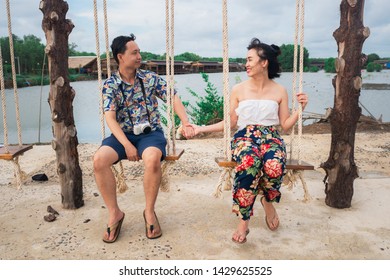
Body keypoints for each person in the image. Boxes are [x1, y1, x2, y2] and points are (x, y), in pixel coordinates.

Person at [191, 38, 308, 244]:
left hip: (271, 137)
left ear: (264, 63)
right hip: (245, 137)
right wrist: (200, 128)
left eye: (250, 59)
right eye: (246, 59)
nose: (246, 64)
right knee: (248, 163)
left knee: (274, 166)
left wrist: (300, 109)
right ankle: (244, 220)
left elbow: (286, 125)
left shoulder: (279, 90)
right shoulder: (238, 89)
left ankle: (268, 201)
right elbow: (230, 123)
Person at [93, 34, 194, 243]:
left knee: (151, 159)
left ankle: (149, 212)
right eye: (134, 52)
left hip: (151, 135)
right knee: (99, 161)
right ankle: (115, 213)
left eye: (139, 51)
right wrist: (127, 145)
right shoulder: (110, 85)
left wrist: (185, 122)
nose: (139, 56)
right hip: (123, 135)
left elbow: (172, 96)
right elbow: (110, 118)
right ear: (121, 57)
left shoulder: (149, 78)